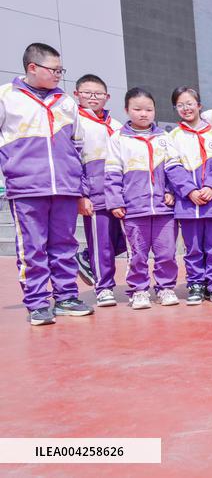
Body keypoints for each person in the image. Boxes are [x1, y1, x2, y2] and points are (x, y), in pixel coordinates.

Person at [0, 43, 93, 325]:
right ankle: (38, 303)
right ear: (32, 67)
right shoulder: (6, 97)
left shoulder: (65, 102)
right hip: (27, 188)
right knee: (32, 248)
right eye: (54, 70)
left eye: (60, 70)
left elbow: (78, 146)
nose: (58, 75)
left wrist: (81, 189)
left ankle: (66, 297)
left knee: (65, 245)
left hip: (65, 188)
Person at [105, 87, 178, 310]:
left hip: (163, 209)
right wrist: (116, 201)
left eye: (149, 109)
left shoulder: (164, 138)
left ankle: (166, 287)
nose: (143, 114)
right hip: (134, 209)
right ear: (127, 110)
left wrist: (171, 191)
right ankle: (139, 290)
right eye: (137, 109)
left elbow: (173, 169)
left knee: (167, 252)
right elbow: (112, 172)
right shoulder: (118, 139)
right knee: (137, 254)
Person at [165, 86, 212, 306]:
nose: (186, 108)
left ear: (199, 106)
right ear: (175, 108)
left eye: (190, 103)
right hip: (188, 205)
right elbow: (172, 167)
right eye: (180, 105)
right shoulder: (173, 137)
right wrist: (190, 191)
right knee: (193, 248)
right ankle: (195, 283)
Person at [74, 73, 126, 307]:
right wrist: (81, 194)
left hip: (120, 194)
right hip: (94, 195)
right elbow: (73, 162)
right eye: (87, 93)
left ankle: (86, 258)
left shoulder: (117, 126)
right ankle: (104, 286)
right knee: (101, 242)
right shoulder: (75, 122)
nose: (93, 98)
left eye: (98, 94)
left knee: (125, 240)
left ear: (107, 97)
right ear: (77, 95)